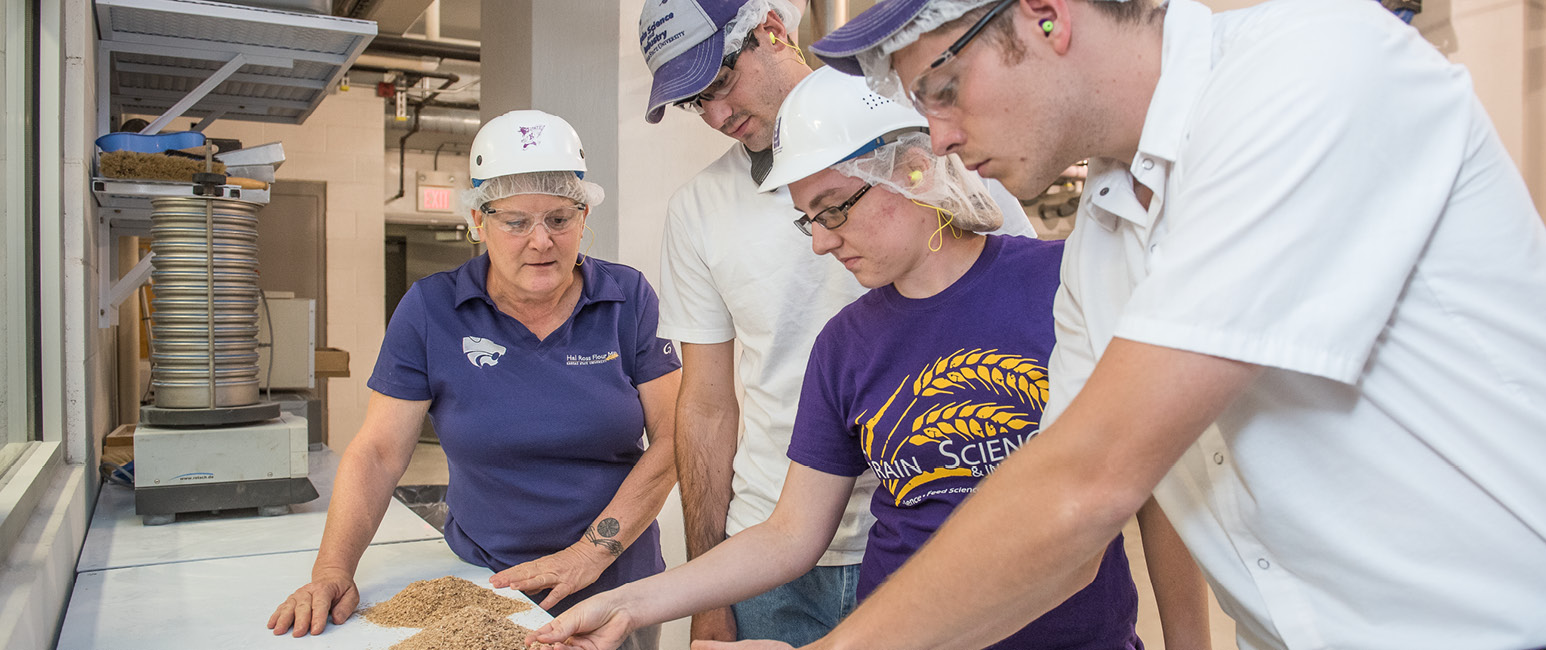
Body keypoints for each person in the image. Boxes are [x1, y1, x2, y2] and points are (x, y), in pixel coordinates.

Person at [728, 0, 1546, 648]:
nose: (943, 140)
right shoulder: (1105, 238)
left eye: (944, 90)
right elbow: (1050, 520)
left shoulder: (1310, 64)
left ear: (1041, 16)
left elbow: (1091, 482)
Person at [529, 67, 1212, 650]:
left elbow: (1160, 494)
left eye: (834, 209)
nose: (822, 243)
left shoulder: (1067, 284)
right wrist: (632, 603)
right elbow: (791, 534)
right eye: (808, 219)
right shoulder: (845, 345)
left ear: (911, 170)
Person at [635, 1, 1037, 645]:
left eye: (718, 83)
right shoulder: (702, 212)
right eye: (694, 103)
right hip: (775, 544)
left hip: (936, 530)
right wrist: (704, 592)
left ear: (772, 30)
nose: (715, 115)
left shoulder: (930, 147)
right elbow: (706, 407)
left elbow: (1019, 303)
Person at [266, 110, 682, 650]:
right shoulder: (432, 308)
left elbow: (676, 439)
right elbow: (378, 452)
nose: (541, 241)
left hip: (616, 583)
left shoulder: (627, 298)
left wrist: (588, 554)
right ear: (478, 222)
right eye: (515, 222)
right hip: (485, 583)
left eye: (559, 218)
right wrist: (331, 569)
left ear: (583, 217)